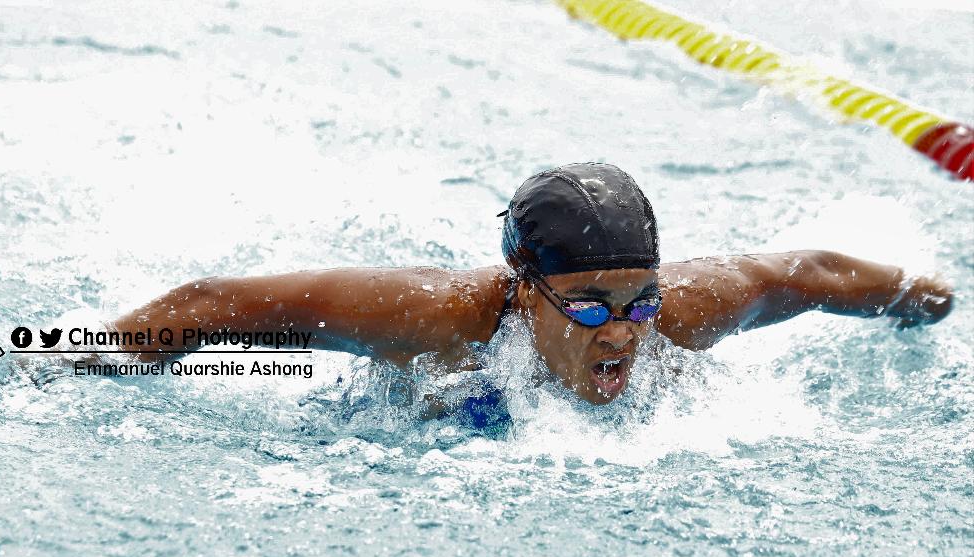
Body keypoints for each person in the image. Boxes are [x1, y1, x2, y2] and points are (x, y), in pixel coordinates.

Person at [110, 162, 953, 406]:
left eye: (640, 301)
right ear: (524, 287)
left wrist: (927, 296)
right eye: (590, 305)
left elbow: (805, 272)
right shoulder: (436, 318)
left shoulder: (680, 315)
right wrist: (85, 361)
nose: (623, 331)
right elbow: (211, 305)